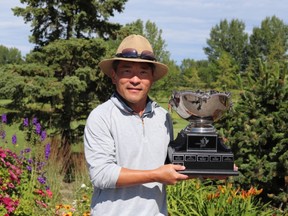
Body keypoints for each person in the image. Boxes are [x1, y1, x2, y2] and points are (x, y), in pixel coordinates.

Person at [83, 34, 189, 216]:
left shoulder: (163, 117)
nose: (135, 80)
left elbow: (168, 166)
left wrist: (211, 168)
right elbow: (101, 174)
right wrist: (155, 175)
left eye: (143, 72)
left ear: (152, 78)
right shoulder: (101, 116)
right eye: (126, 71)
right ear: (114, 76)